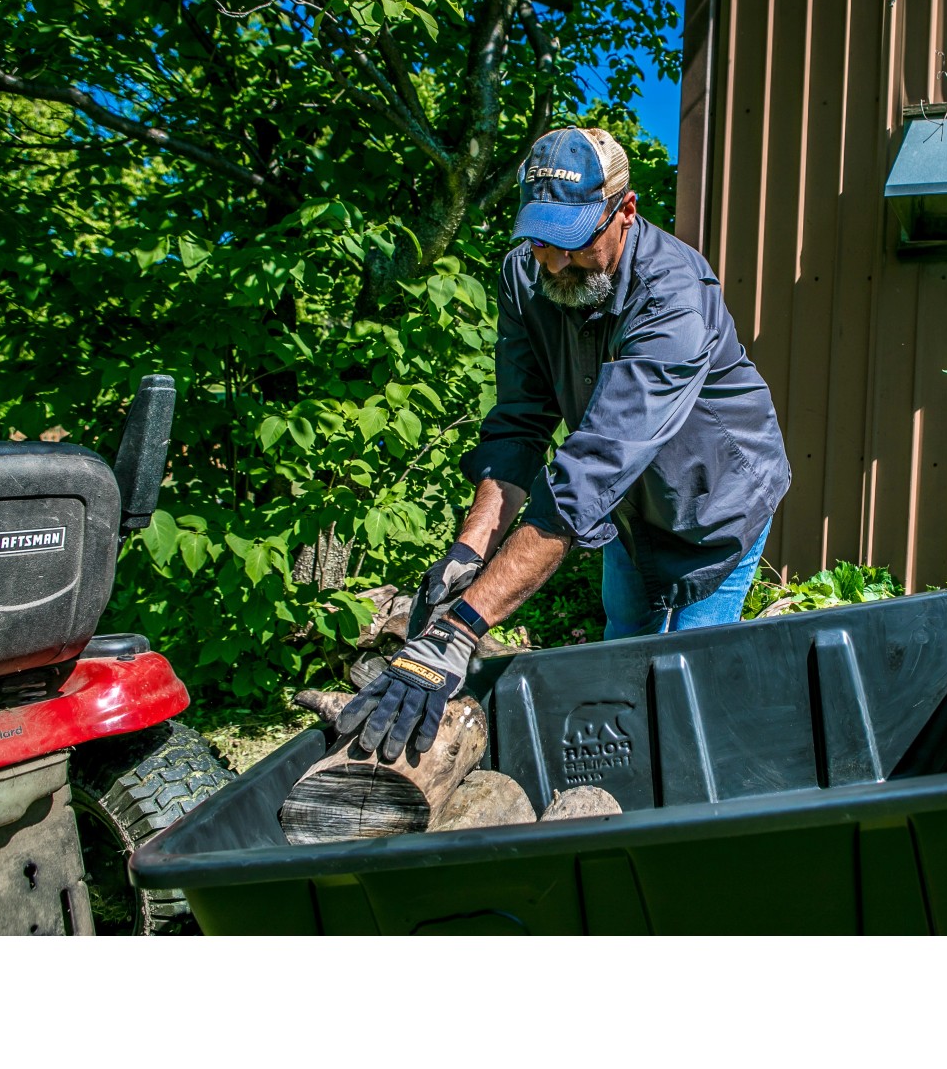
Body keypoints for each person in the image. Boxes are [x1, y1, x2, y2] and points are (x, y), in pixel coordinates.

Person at [338, 125, 792, 762]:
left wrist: (463, 629)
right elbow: (521, 421)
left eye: (573, 243)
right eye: (541, 239)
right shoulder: (528, 278)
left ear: (624, 212)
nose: (552, 262)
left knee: (685, 675)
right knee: (620, 656)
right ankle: (620, 790)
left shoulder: (674, 295)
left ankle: (685, 802)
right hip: (628, 508)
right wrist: (468, 554)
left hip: (714, 503)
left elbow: (590, 474)